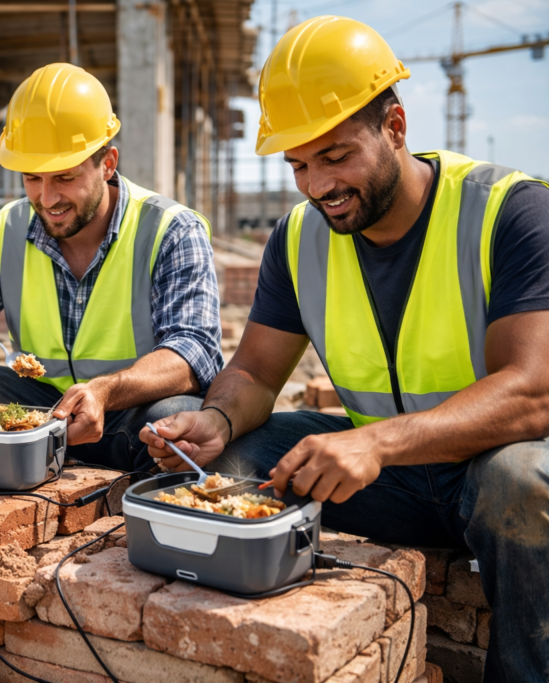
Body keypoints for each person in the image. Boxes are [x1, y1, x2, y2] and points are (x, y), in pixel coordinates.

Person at [141, 16, 549, 681]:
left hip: (483, 474)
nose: (316, 185)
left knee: (521, 479)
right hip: (389, 480)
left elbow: (534, 392)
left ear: (396, 126)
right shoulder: (298, 238)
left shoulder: (510, 212)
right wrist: (216, 418)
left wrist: (377, 443)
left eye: (335, 157)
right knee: (235, 457)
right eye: (298, 164)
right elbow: (255, 372)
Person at [0, 63, 222, 472]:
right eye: (32, 178)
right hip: (34, 411)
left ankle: (121, 489)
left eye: (64, 177)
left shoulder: (170, 230)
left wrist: (105, 391)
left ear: (107, 163)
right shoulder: (3, 230)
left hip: (128, 410)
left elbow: (194, 352)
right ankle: (11, 472)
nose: (47, 198)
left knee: (179, 423)